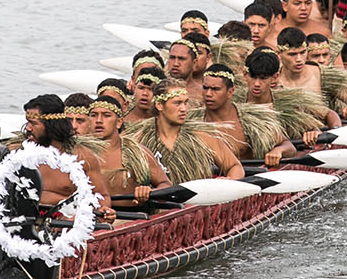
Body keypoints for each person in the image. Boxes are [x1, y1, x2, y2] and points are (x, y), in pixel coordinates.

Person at [21, 94, 118, 223]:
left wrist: (99, 212)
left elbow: (102, 196)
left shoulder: (83, 156)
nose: (28, 128)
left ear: (50, 125)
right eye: (27, 122)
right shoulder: (19, 156)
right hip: (25, 226)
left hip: (65, 227)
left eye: (33, 123)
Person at [124, 79, 245, 183]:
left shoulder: (202, 137)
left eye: (185, 102)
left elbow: (235, 166)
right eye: (177, 103)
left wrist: (229, 181)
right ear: (160, 106)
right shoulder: (139, 140)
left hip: (196, 205)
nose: (184, 109)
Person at [191, 64, 299, 169]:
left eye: (215, 89)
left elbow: (289, 147)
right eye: (205, 88)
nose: (208, 94)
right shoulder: (191, 123)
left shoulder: (255, 119)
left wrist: (278, 151)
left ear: (230, 92)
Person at [82, 93, 170, 211]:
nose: (99, 120)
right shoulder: (78, 154)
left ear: (119, 122)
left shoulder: (138, 153)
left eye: (106, 115)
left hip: (131, 219)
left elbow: (166, 185)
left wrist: (149, 192)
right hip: (88, 218)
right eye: (93, 115)